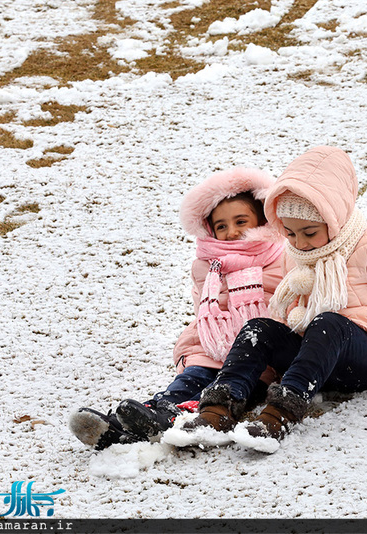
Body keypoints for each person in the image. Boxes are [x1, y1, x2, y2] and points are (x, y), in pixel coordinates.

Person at [182, 146, 367, 447]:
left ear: (333, 217)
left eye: (309, 233)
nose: (300, 242)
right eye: (290, 233)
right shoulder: (295, 253)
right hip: (316, 356)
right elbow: (290, 309)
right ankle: (216, 411)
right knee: (260, 327)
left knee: (329, 322)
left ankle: (281, 413)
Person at [68, 167, 285, 450]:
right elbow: (205, 314)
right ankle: (123, 426)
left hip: (254, 358)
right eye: (221, 226)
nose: (231, 232)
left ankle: (172, 416)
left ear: (262, 221)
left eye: (241, 221)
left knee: (216, 389)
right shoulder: (208, 267)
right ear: (210, 230)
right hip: (211, 348)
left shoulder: (281, 259)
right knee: (191, 378)